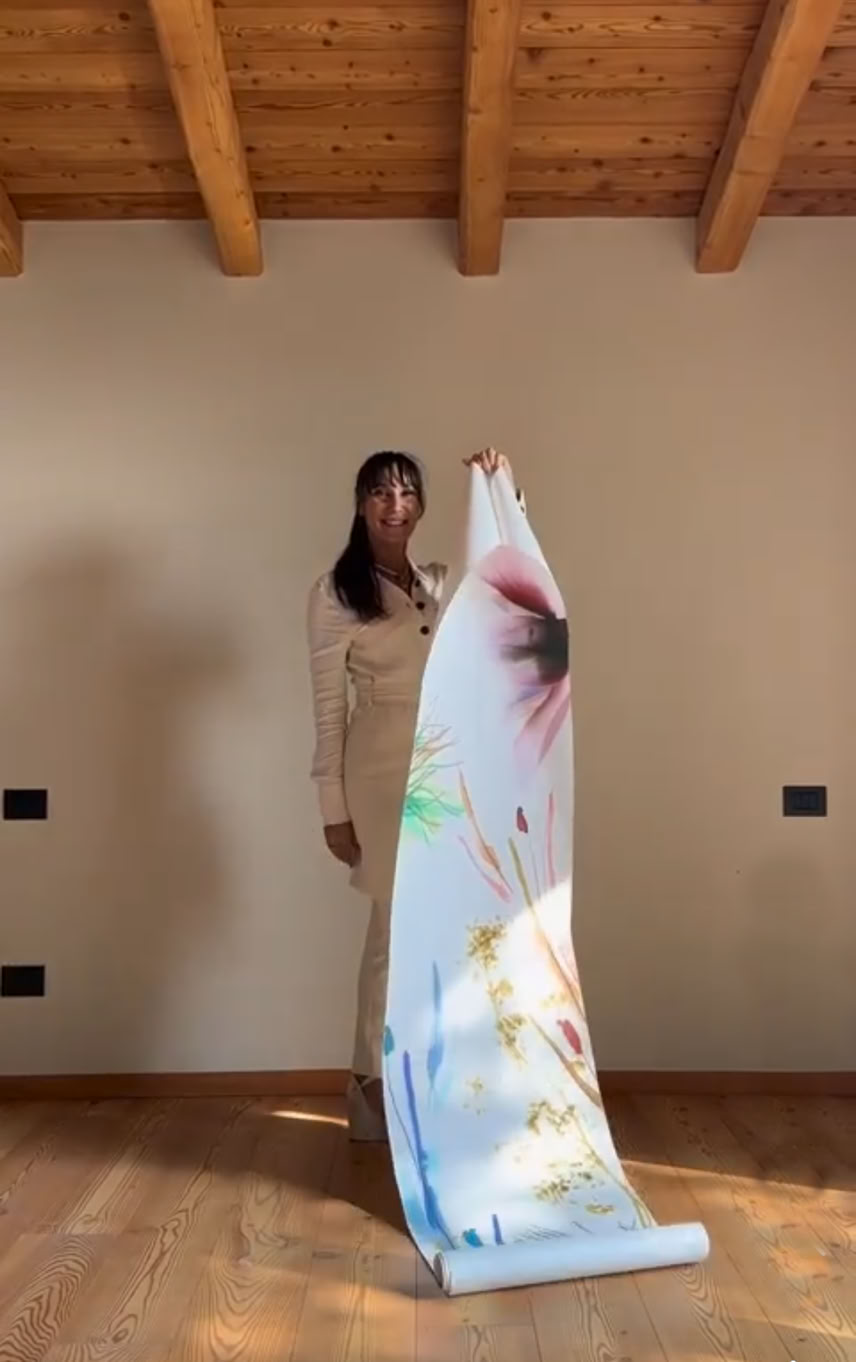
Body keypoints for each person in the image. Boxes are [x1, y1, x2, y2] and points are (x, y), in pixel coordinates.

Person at [306, 447, 519, 1140]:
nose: (394, 505)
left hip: (448, 762)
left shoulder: (439, 582)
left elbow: (509, 576)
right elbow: (328, 711)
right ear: (361, 504)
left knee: (451, 926)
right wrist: (333, 810)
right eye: (380, 492)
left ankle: (439, 1083)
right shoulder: (335, 593)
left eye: (406, 493)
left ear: (421, 505)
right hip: (379, 767)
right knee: (395, 927)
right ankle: (373, 1086)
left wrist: (499, 486)